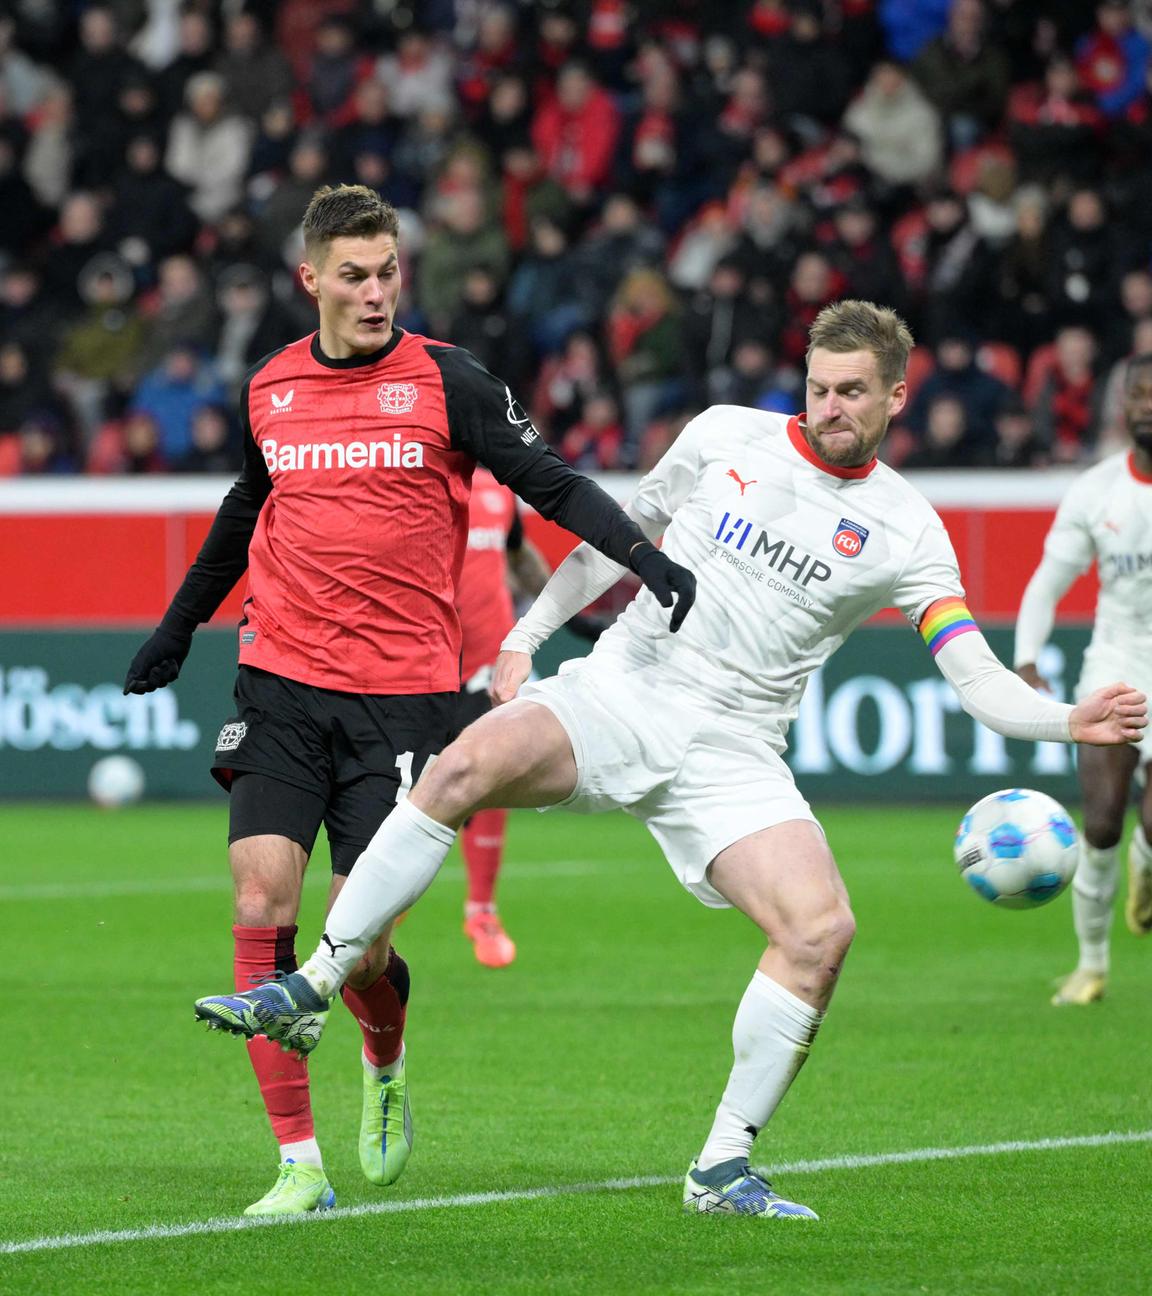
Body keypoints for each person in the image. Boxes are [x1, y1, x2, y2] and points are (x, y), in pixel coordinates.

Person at [194, 300, 1144, 1220]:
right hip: (623, 691)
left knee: (820, 932)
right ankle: (314, 982)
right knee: (457, 769)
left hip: (735, 750)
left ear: (898, 395)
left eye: (854, 391)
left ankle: (723, 1165)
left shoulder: (907, 530)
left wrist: (1070, 720)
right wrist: (529, 635)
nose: (830, 407)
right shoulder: (726, 434)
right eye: (818, 386)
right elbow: (616, 542)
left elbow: (974, 675)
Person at [126, 183, 695, 1217]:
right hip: (282, 681)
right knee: (262, 904)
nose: (377, 291)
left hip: (405, 704)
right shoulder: (272, 387)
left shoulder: (448, 381)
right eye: (355, 274)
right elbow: (245, 506)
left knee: (365, 949)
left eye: (389, 271)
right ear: (312, 281)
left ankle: (383, 1067)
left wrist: (641, 559)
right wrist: (178, 628)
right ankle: (298, 1165)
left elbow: (550, 480)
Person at [1013, 353, 1152, 1007]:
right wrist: (1027, 656)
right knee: (1099, 825)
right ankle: (1091, 967)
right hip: (1117, 668)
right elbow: (1048, 581)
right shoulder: (1097, 490)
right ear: (1123, 407)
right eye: (1139, 395)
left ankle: (1146, 862)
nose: (1148, 405)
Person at [454, 464, 551, 967]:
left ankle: (482, 911)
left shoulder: (497, 488)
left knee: (492, 778)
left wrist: (565, 608)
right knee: (400, 786)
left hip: (491, 659)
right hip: (425, 660)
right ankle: (389, 897)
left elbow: (518, 555)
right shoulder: (413, 471)